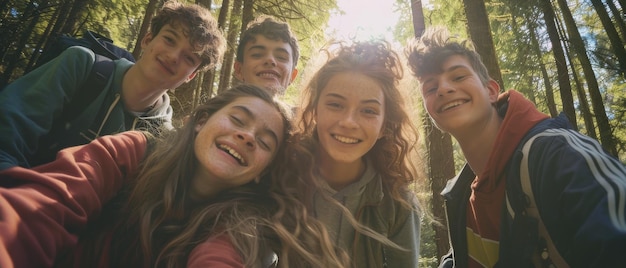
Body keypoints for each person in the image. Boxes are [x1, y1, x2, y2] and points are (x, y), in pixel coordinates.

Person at [0, 84, 352, 268]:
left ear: (262, 173)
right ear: (200, 121)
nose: (247, 136)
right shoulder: (131, 152)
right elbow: (39, 209)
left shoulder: (242, 230)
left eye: (264, 141)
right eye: (238, 120)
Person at [405, 26, 626, 267]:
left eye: (458, 77)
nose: (444, 89)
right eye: (430, 87)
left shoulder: (559, 155)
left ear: (491, 91)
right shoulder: (460, 197)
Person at [0, 1, 226, 170]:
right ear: (147, 40)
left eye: (189, 58)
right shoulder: (81, 65)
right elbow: (8, 133)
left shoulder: (164, 138)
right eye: (169, 39)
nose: (174, 56)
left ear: (190, 76)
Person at [272, 40, 422, 267]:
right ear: (314, 111)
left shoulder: (398, 205)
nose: (349, 122)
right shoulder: (278, 177)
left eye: (368, 111)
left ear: (385, 126)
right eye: (335, 104)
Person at [233, 15, 299, 96]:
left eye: (281, 57)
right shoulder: (218, 108)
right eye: (257, 54)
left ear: (292, 75)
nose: (270, 60)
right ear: (239, 69)